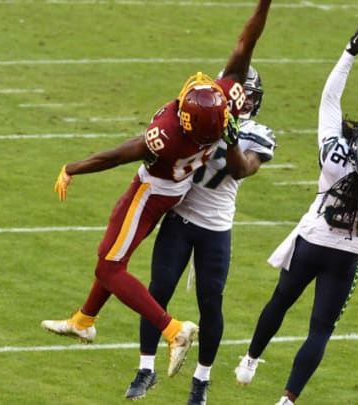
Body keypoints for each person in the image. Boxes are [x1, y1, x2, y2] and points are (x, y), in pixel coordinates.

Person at [40, 0, 273, 380]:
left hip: (153, 190)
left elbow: (116, 156)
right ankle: (84, 319)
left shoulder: (168, 136)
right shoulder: (225, 108)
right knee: (116, 250)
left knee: (109, 265)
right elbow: (249, 39)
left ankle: (172, 330)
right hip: (175, 187)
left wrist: (72, 168)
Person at [233, 16, 358, 405]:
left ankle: (249, 360)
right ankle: (287, 401)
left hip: (313, 241)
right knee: (320, 331)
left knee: (280, 300)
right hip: (348, 253)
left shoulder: (335, 160)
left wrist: (351, 51)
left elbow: (331, 99)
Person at [123, 66, 277, 403]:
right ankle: (145, 368)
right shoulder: (200, 113)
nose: (246, 100)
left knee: (210, 303)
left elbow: (242, 169)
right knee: (157, 290)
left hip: (215, 227)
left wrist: (231, 138)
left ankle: (201, 381)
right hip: (179, 216)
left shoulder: (258, 133)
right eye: (242, 93)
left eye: (251, 95)